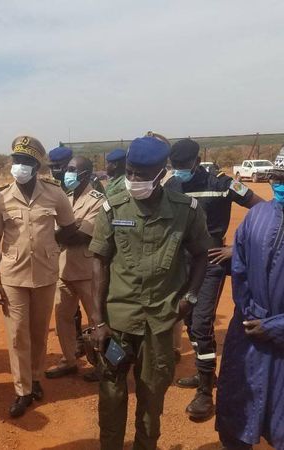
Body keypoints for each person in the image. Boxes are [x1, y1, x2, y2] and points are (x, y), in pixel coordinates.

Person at [88, 135, 212, 450]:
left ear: (161, 174)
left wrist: (191, 296)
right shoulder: (112, 207)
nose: (132, 180)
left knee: (152, 399)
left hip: (159, 323)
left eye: (141, 175)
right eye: (129, 172)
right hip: (118, 322)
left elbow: (201, 254)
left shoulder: (187, 211)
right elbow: (98, 264)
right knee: (112, 397)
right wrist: (97, 321)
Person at [165, 138, 263, 421]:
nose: (179, 170)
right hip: (180, 263)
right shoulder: (171, 186)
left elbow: (262, 210)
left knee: (201, 322)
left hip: (210, 263)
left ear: (197, 162)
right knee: (188, 320)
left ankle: (206, 391)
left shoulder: (222, 184)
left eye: (183, 165)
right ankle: (203, 371)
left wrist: (237, 248)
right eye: (175, 165)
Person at [0, 136, 77, 418]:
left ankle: (35, 377)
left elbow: (69, 226)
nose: (20, 166)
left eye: (26, 161)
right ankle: (22, 389)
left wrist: (51, 244)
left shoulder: (55, 193)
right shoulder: (0, 197)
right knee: (17, 335)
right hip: (12, 275)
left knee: (38, 332)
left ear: (37, 166)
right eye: (17, 160)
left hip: (45, 273)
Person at [215, 167, 284, 450]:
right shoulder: (257, 216)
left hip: (266, 332)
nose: (278, 184)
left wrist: (273, 326)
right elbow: (240, 272)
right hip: (250, 332)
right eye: (276, 178)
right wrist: (252, 316)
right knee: (240, 409)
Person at [44, 156, 104, 379]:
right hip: (62, 269)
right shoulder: (65, 197)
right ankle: (69, 359)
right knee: (63, 319)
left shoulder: (97, 200)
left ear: (86, 174)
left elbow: (80, 236)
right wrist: (70, 227)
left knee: (97, 320)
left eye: (71, 170)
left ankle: (103, 364)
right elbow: (59, 230)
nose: (65, 173)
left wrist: (62, 231)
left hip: (87, 271)